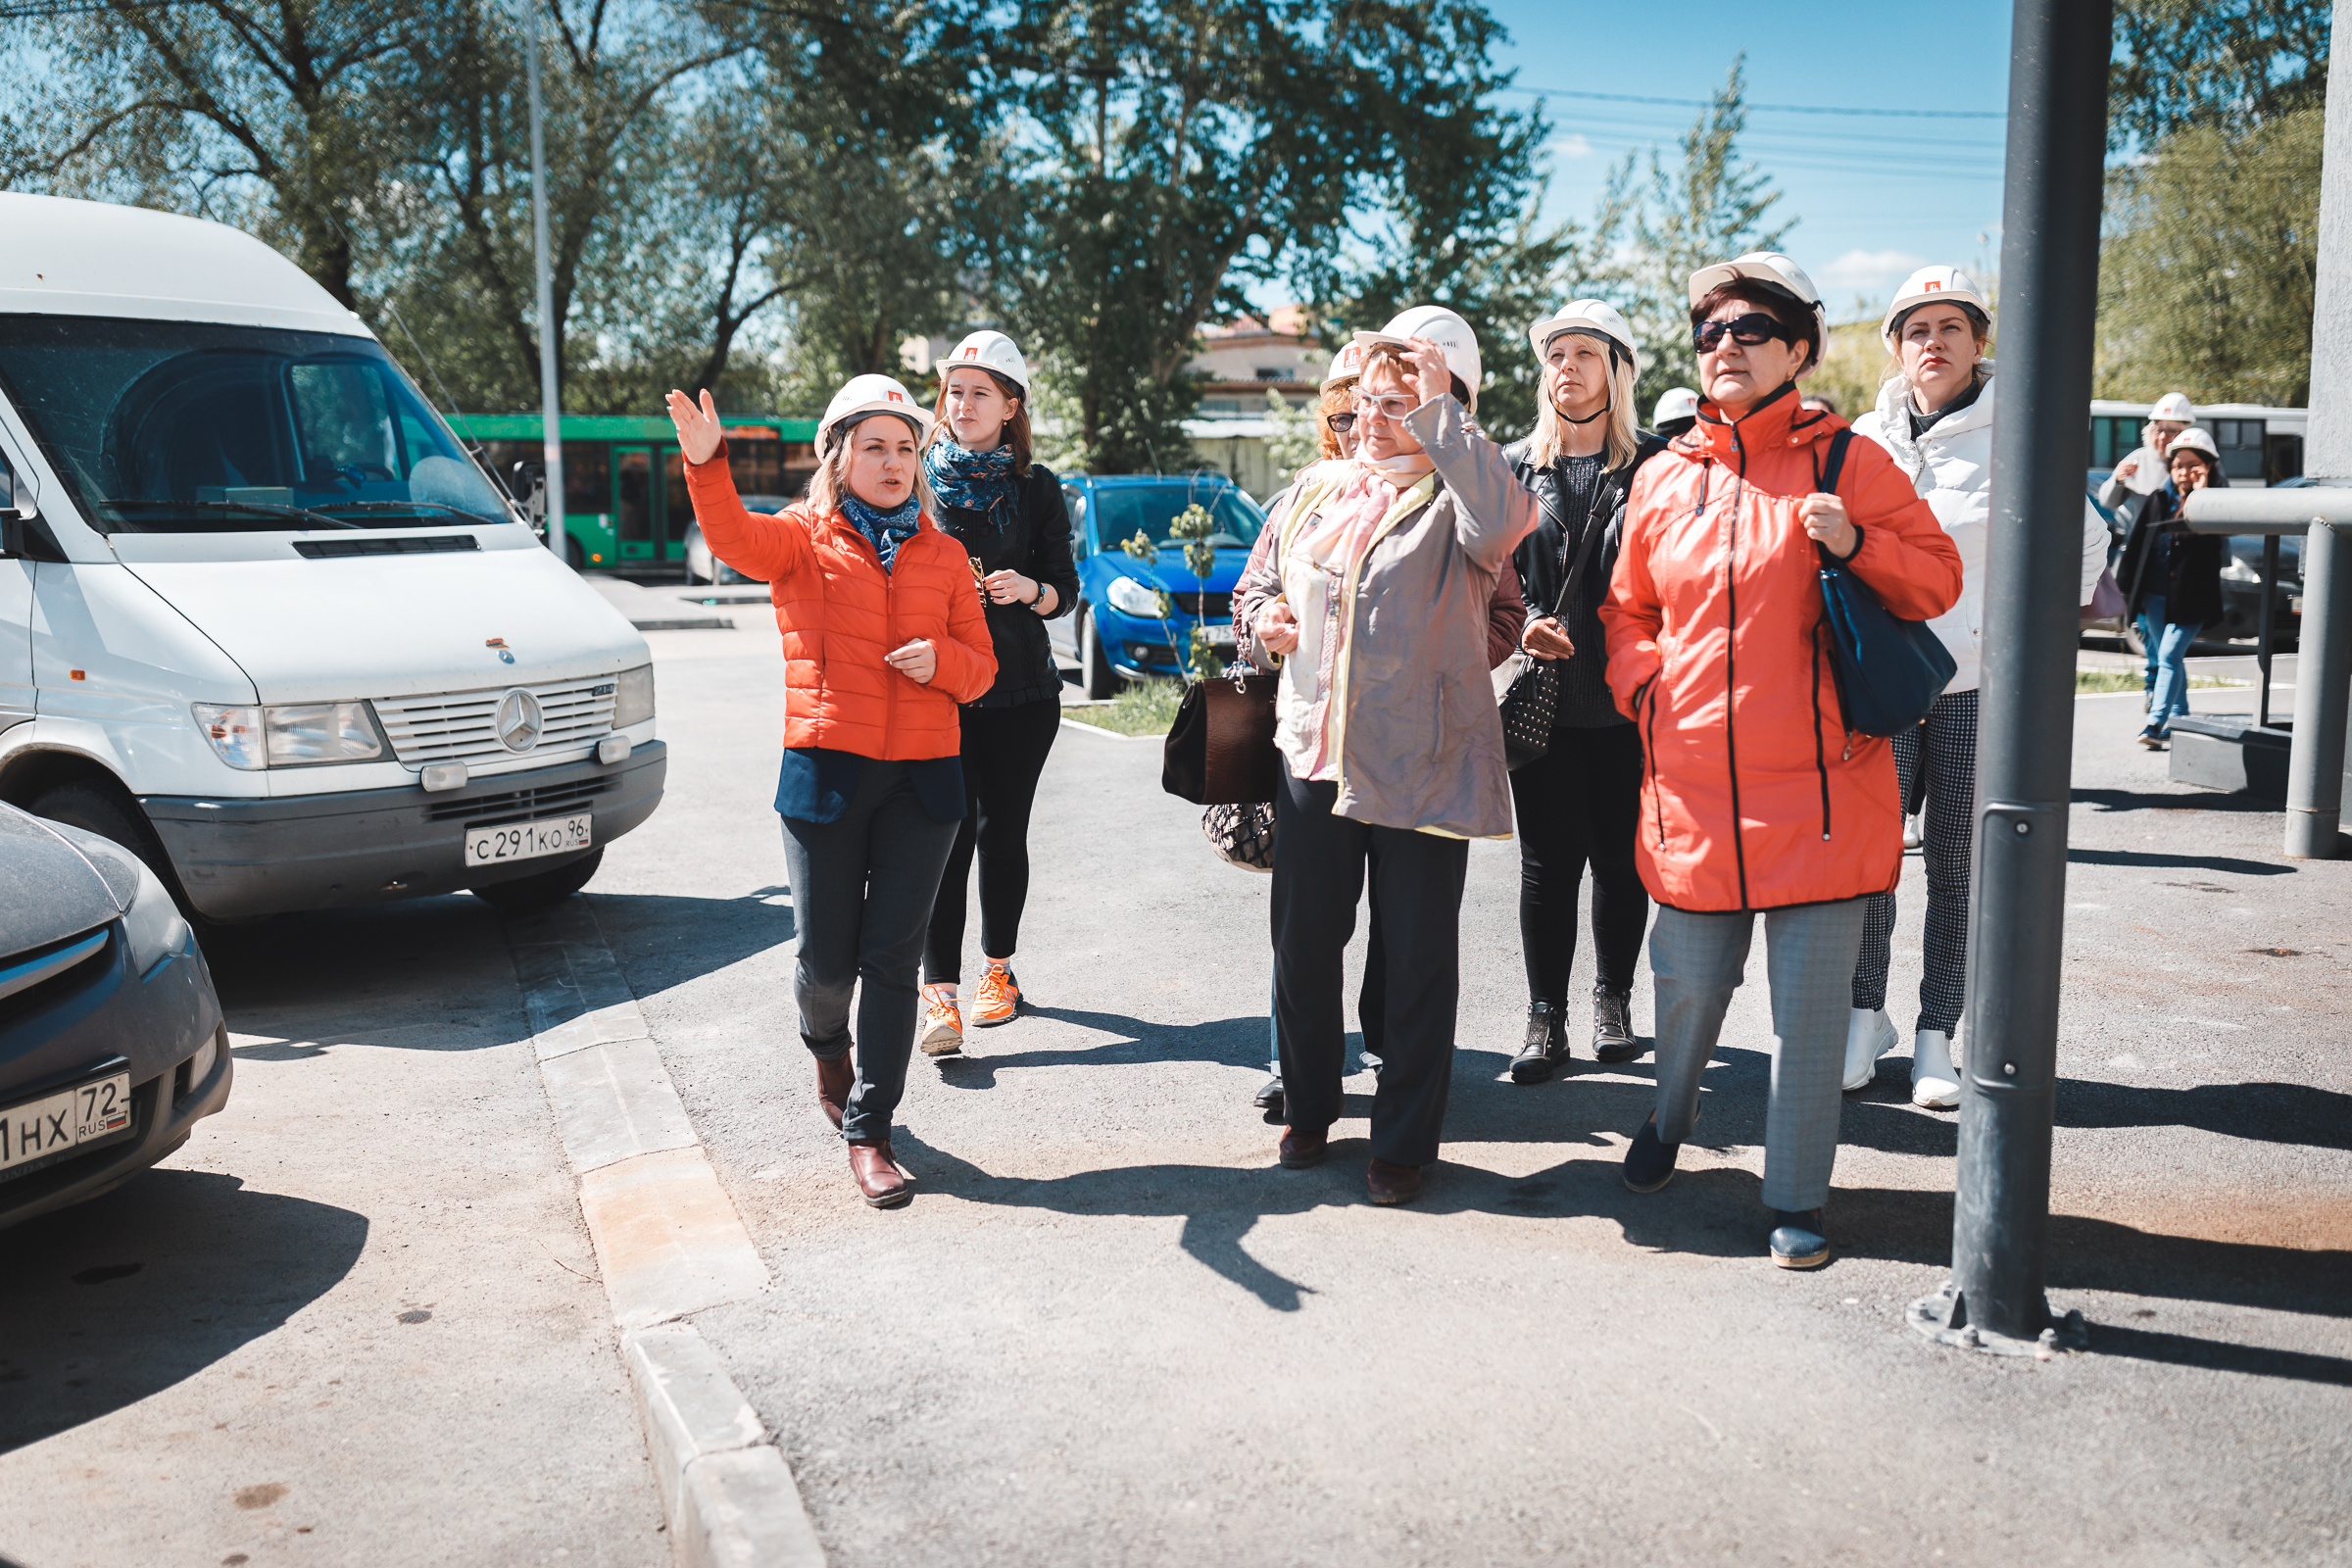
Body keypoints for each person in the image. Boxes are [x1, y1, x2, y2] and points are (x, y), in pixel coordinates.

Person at [1603, 253, 1961, 1268]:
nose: (1726, 346)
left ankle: (1797, 1196)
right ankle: (1669, 1119)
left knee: (1807, 1024)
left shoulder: (1854, 464)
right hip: (1695, 796)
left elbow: (1938, 577)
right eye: (1710, 332)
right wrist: (1644, 688)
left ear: (1798, 349)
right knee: (1684, 990)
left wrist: (1855, 544)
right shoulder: (1665, 474)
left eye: (1750, 329)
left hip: (1823, 796)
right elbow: (1626, 611)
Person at [1233, 305, 1539, 1204]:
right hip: (1313, 753)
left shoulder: (1463, 496)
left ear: (1442, 407)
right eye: (1367, 401)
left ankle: (1404, 1139)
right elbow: (1253, 584)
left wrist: (1437, 672)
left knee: (1412, 956)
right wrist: (1264, 623)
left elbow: (1508, 529)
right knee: (1304, 941)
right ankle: (1312, 1105)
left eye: (1398, 404)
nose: (1374, 419)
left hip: (1424, 758)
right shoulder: (1311, 490)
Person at [668, 375, 997, 1209]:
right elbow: (733, 538)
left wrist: (942, 663)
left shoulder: (945, 552)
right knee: (825, 961)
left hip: (927, 782)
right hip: (827, 776)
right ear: (839, 454)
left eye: (904, 449)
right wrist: (708, 466)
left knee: (891, 961)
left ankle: (871, 1128)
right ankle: (824, 1043)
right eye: (874, 447)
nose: (892, 463)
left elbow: (982, 667)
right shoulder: (799, 540)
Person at [1842, 267, 2110, 1108]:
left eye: (1951, 328)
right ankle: (1863, 1018)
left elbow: (2085, 548)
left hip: (1972, 690)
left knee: (1959, 869)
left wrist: (2021, 645)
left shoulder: (2022, 434)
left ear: (1980, 341)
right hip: (1882, 690)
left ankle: (1935, 1037)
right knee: (1865, 864)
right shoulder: (1862, 438)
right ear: (1895, 346)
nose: (1933, 343)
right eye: (1916, 330)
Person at [1490, 300, 1666, 1083]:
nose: (1566, 367)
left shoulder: (1660, 466)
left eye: (1584, 354)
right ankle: (1544, 1020)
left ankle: (1613, 1004)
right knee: (1547, 866)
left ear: (1618, 371)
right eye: (1555, 354)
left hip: (1631, 704)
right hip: (1548, 703)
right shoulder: (1514, 465)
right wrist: (1527, 621)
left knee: (1623, 865)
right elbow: (1493, 577)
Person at [915, 331, 1081, 1054]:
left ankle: (998, 973)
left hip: (1021, 694)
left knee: (999, 832)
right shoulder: (915, 477)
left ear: (1011, 406)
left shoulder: (1037, 488)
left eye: (980, 391)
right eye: (955, 390)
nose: (963, 403)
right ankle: (938, 995)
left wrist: (1030, 590)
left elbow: (1066, 593)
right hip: (940, 693)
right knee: (941, 840)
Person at [2119, 425, 2227, 749]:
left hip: (2190, 601)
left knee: (2168, 655)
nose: (2184, 472)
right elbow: (2138, 547)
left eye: (2194, 464)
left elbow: (2213, 548)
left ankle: (2155, 722)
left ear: (2208, 467)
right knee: (2169, 658)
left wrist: (2202, 497)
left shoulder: (2217, 503)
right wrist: (2128, 592)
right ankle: (2180, 717)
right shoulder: (2158, 499)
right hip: (2154, 596)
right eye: (2178, 465)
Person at [2098, 390, 2196, 514]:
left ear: (2185, 433)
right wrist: (2118, 480)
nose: (2162, 437)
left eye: (2171, 431)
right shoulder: (2138, 459)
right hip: (2143, 534)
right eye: (2157, 430)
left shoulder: (2199, 462)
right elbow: (2107, 502)